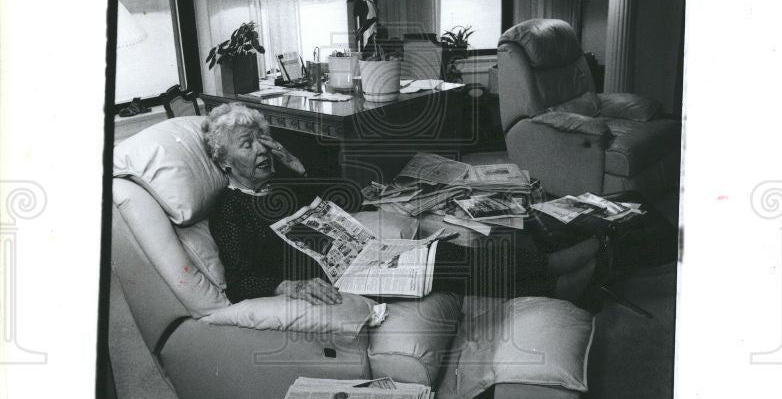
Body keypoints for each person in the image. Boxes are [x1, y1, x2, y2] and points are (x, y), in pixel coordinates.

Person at [204, 102, 602, 306]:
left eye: (263, 140)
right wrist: (287, 285)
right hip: (334, 278)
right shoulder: (230, 209)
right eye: (248, 143)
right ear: (224, 161)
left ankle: (548, 274)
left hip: (360, 255)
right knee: (439, 266)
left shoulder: (284, 183)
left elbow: (350, 196)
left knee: (437, 252)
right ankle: (552, 280)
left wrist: (299, 167)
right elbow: (238, 280)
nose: (262, 150)